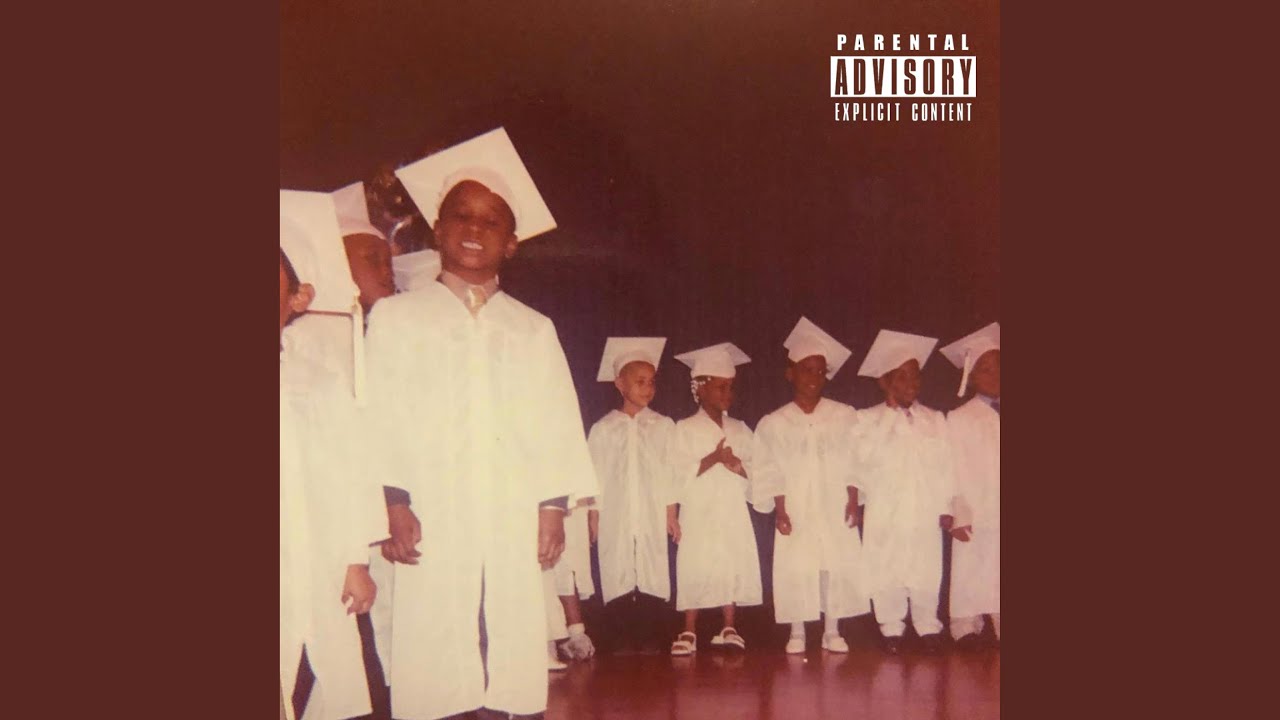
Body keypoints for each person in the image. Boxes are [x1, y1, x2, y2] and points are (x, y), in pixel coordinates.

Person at [364, 127, 597, 720]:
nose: (475, 228)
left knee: (508, 637)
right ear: (438, 230)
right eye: (461, 216)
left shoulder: (532, 328)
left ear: (512, 243)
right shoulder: (397, 318)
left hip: (510, 506)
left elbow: (555, 420)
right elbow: (380, 414)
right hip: (430, 505)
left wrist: (552, 507)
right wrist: (391, 501)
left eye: (492, 221)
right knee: (435, 639)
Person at [280, 189, 389, 720]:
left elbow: (352, 475)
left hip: (317, 554)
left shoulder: (320, 384)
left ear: (299, 298)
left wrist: (354, 560)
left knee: (327, 676)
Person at [751, 317, 870, 655]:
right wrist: (780, 509)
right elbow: (769, 468)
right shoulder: (774, 422)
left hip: (834, 500)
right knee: (797, 565)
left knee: (834, 561)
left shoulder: (844, 415)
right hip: (797, 503)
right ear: (790, 373)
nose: (814, 377)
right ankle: (798, 631)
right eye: (806, 370)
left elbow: (856, 460)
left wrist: (853, 499)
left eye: (820, 371)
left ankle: (832, 629)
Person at [852, 329, 955, 655]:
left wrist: (947, 506)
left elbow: (947, 466)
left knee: (926, 565)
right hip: (887, 507)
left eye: (915, 375)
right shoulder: (866, 419)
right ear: (885, 382)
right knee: (887, 564)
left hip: (925, 506)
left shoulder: (934, 419)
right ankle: (891, 626)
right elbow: (862, 461)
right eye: (902, 376)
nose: (912, 382)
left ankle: (927, 625)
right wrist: (890, 413)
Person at [668, 343, 762, 655]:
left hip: (732, 509)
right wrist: (713, 458)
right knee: (694, 563)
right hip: (698, 511)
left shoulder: (740, 429)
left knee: (731, 560)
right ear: (700, 388)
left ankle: (729, 626)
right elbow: (675, 473)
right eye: (721, 387)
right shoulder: (684, 428)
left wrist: (739, 467)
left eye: (731, 387)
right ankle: (689, 629)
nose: (727, 393)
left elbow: (759, 469)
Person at [587, 337, 679, 655]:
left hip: (651, 508)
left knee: (652, 563)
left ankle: (652, 635)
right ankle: (620, 636)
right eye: (639, 381)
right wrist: (594, 516)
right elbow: (595, 475)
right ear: (619, 384)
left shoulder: (663, 425)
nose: (648, 388)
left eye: (652, 382)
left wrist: (671, 513)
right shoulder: (603, 428)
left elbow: (670, 471)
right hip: (616, 510)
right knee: (617, 562)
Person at [938, 322, 1000, 650]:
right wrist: (958, 511)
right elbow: (951, 468)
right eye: (985, 369)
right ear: (971, 377)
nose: (995, 374)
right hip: (976, 507)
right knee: (971, 567)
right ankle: (966, 626)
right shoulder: (959, 418)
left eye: (999, 366)